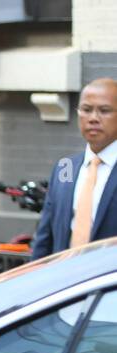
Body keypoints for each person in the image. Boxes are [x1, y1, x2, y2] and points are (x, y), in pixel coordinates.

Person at [32, 77, 117, 259]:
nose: (93, 118)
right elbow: (45, 236)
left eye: (104, 111)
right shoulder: (66, 167)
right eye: (86, 110)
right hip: (66, 281)